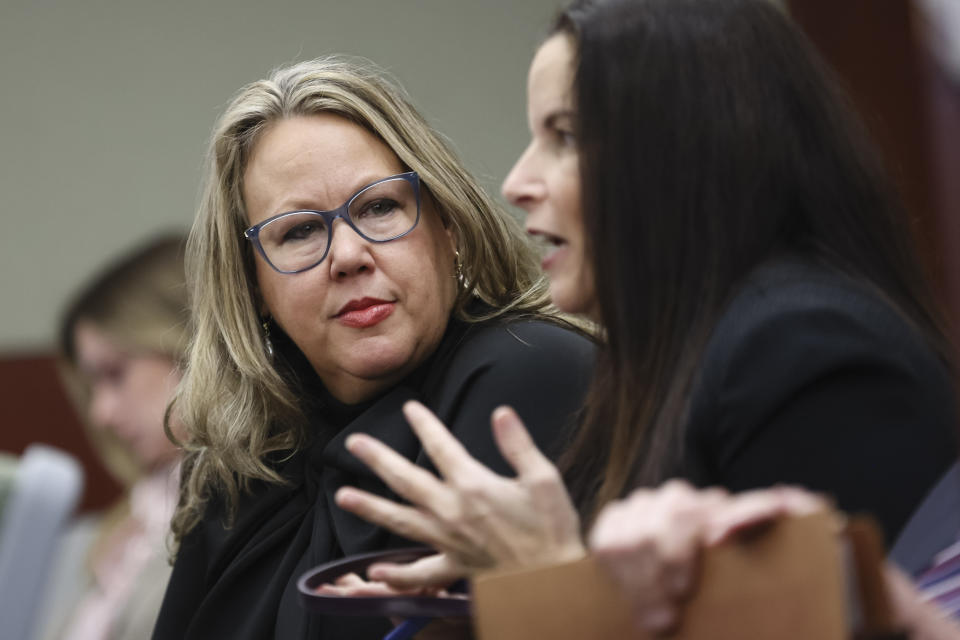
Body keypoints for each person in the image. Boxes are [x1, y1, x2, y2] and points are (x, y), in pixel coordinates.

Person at [332, 0, 959, 633]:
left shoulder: (800, 347)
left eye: (566, 137)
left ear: (687, 149)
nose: (518, 181)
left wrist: (548, 577)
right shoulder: (677, 359)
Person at [151, 57, 595, 639]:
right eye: (300, 231)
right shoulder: (239, 457)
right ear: (252, 284)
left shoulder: (527, 367)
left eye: (380, 207)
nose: (348, 256)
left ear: (447, 224)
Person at [43, 234, 187, 640]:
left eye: (115, 374)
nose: (99, 412)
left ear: (189, 346)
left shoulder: (251, 507)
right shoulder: (118, 526)